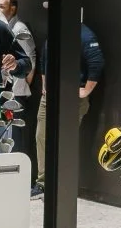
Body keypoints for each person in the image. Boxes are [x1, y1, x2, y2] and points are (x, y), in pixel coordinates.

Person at [34, 19, 104, 197]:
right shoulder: (55, 32)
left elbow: (97, 63)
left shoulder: (84, 35)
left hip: (71, 99)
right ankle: (43, 183)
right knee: (41, 136)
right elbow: (44, 59)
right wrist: (44, 85)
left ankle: (62, 185)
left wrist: (85, 91)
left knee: (65, 141)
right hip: (49, 98)